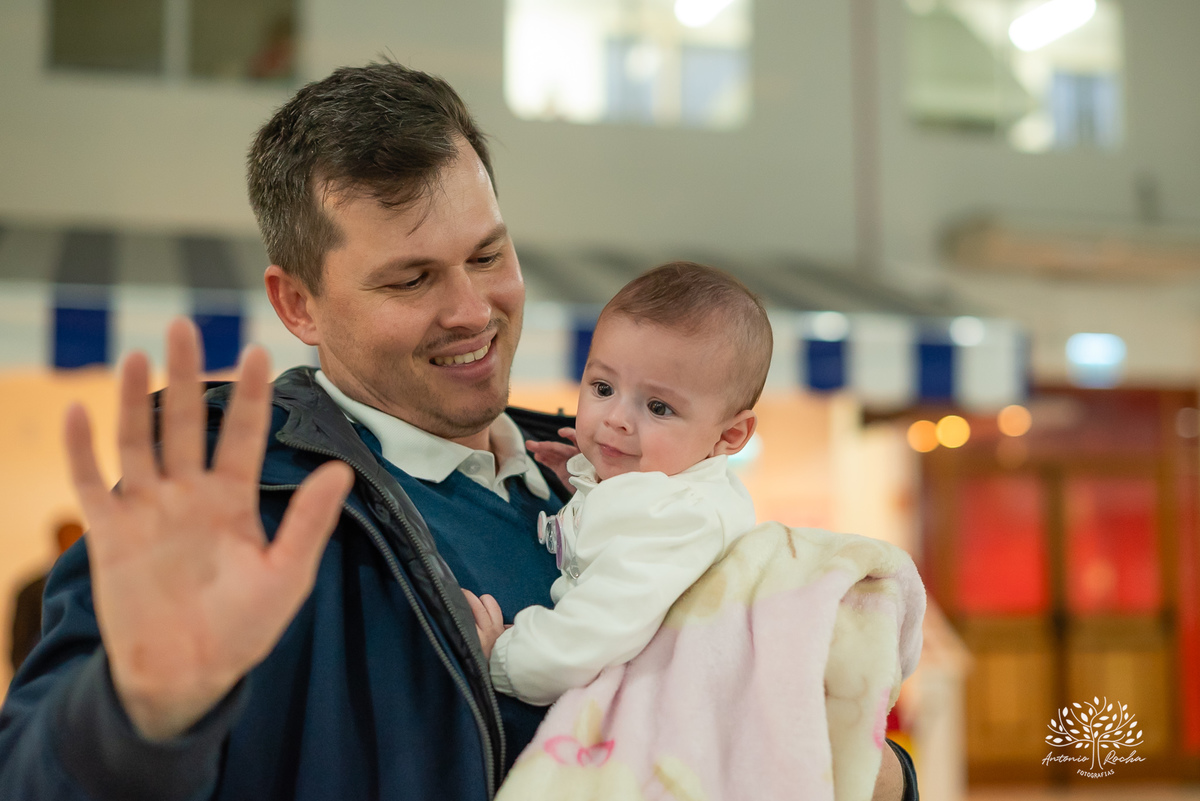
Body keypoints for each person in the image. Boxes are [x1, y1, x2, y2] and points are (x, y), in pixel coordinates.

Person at [0, 62, 917, 801]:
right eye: (411, 280)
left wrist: (866, 767)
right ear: (299, 303)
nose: (473, 310)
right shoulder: (229, 506)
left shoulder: (600, 476)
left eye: (488, 254)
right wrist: (136, 714)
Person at [466, 262, 768, 706]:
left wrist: (503, 656)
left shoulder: (677, 517)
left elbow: (588, 639)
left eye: (659, 408)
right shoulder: (663, 493)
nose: (616, 419)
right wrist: (589, 486)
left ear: (730, 435)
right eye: (603, 388)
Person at [9, 520, 83, 674]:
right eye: (68, 542)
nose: (72, 549)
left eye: (77, 542)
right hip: (48, 674)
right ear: (58, 544)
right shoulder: (30, 592)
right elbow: (20, 646)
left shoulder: (98, 585)